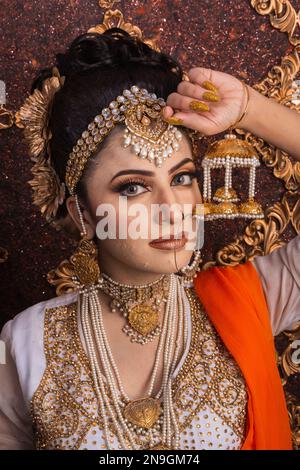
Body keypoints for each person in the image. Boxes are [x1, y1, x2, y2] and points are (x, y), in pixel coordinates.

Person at [0, 28, 299, 451]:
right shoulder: (20, 345)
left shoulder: (254, 300)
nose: (171, 208)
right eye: (132, 187)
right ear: (82, 214)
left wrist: (249, 109)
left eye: (182, 178)